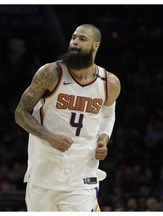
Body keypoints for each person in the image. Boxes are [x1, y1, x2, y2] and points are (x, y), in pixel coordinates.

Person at [15, 24, 121, 211]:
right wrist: (49, 136)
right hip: (44, 173)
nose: (74, 42)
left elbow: (108, 112)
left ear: (95, 46)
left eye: (82, 39)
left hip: (82, 176)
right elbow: (21, 112)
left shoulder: (109, 83)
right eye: (73, 37)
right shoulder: (51, 73)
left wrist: (103, 139)